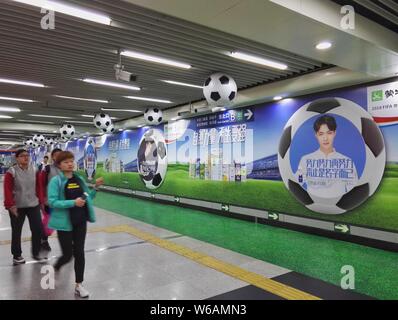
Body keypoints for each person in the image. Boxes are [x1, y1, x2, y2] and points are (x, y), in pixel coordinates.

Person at [48, 151, 103, 298]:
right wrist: (73, 202)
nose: (70, 164)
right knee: (67, 254)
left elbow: (87, 198)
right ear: (59, 165)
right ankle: (57, 266)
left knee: (79, 252)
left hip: (80, 222)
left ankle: (79, 285)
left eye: (71, 161)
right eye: (66, 162)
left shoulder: (78, 179)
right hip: (64, 224)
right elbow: (52, 202)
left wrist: (95, 188)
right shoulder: (56, 181)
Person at [297, 115, 358, 198]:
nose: (325, 138)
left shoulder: (346, 161)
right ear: (316, 135)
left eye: (329, 133)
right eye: (321, 134)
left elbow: (354, 190)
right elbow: (298, 182)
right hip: (314, 207)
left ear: (334, 133)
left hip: (337, 208)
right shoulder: (305, 160)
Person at [3, 149, 45, 265]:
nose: (26, 158)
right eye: (22, 156)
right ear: (17, 158)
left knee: (37, 229)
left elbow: (39, 187)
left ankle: (36, 252)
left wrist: (41, 201)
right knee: (17, 231)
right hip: (17, 207)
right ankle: (17, 255)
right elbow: (7, 190)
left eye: (27, 155)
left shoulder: (35, 169)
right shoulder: (11, 172)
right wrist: (10, 205)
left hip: (33, 204)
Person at [39, 148, 63, 251]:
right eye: (56, 155)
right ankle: (43, 240)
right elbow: (41, 185)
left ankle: (67, 244)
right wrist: (42, 200)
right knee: (49, 224)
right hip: (50, 202)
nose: (58, 157)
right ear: (52, 157)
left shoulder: (66, 168)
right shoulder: (47, 169)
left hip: (63, 202)